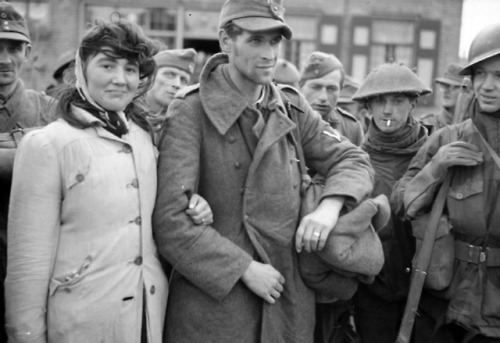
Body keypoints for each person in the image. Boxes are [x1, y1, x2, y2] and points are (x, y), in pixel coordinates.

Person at [152, 0, 374, 342]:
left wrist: (330, 208)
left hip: (285, 303)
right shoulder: (191, 110)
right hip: (216, 308)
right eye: (256, 40)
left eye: (274, 41)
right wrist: (244, 269)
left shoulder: (291, 106)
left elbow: (353, 160)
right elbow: (171, 221)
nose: (269, 52)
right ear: (226, 41)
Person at [4, 18, 211, 343]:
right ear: (82, 68)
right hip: (81, 326)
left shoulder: (144, 137)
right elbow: (27, 266)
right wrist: (26, 336)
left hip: (147, 319)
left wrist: (194, 204)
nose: (120, 79)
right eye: (107, 65)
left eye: (130, 68)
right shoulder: (48, 144)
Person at [393, 22, 500, 342]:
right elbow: (401, 205)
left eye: (499, 75)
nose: (487, 85)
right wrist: (436, 168)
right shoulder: (446, 139)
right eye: (480, 74)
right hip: (447, 297)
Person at [349, 62, 432, 343]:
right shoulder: (353, 160)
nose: (387, 110)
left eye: (397, 101)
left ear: (413, 104)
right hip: (374, 290)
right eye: (380, 101)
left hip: (428, 289)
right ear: (367, 108)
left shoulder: (433, 153)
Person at [0, 2, 56, 341]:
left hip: (30, 270)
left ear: (28, 52)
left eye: (13, 48)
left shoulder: (47, 110)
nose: (4, 59)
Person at [300, 51, 364, 146]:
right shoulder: (286, 119)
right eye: (316, 87)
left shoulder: (351, 127)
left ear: (340, 90)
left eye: (331, 89)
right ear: (301, 86)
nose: (323, 97)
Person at [146, 48, 196, 139]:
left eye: (183, 80)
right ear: (150, 76)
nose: (177, 84)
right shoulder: (125, 116)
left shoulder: (185, 127)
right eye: (169, 74)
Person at [419, 63, 465, 130]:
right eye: (444, 86)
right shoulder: (428, 124)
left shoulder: (473, 125)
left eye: (453, 87)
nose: (446, 91)